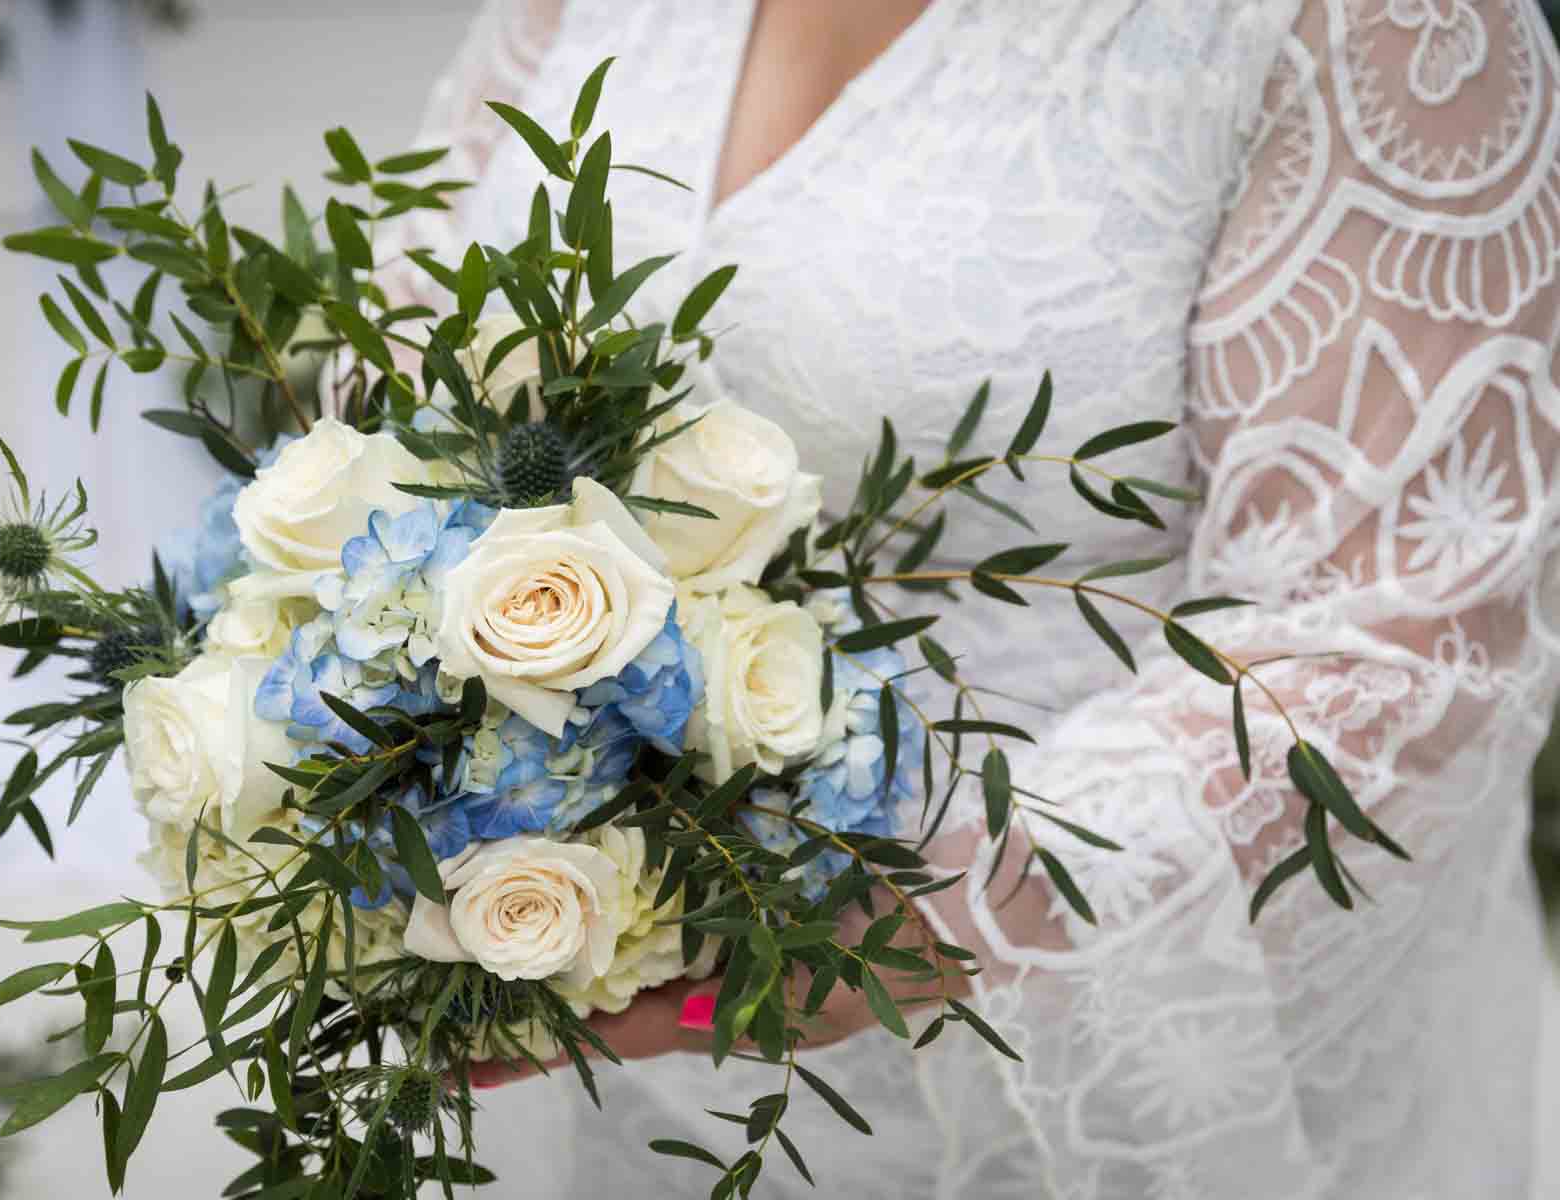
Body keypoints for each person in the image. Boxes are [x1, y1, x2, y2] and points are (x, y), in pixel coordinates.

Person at [392, 1, 1560, 1194]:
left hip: (1066, 1079)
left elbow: (1397, 643)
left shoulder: (1357, 27)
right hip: (625, 1080)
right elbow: (403, 331)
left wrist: (900, 926)